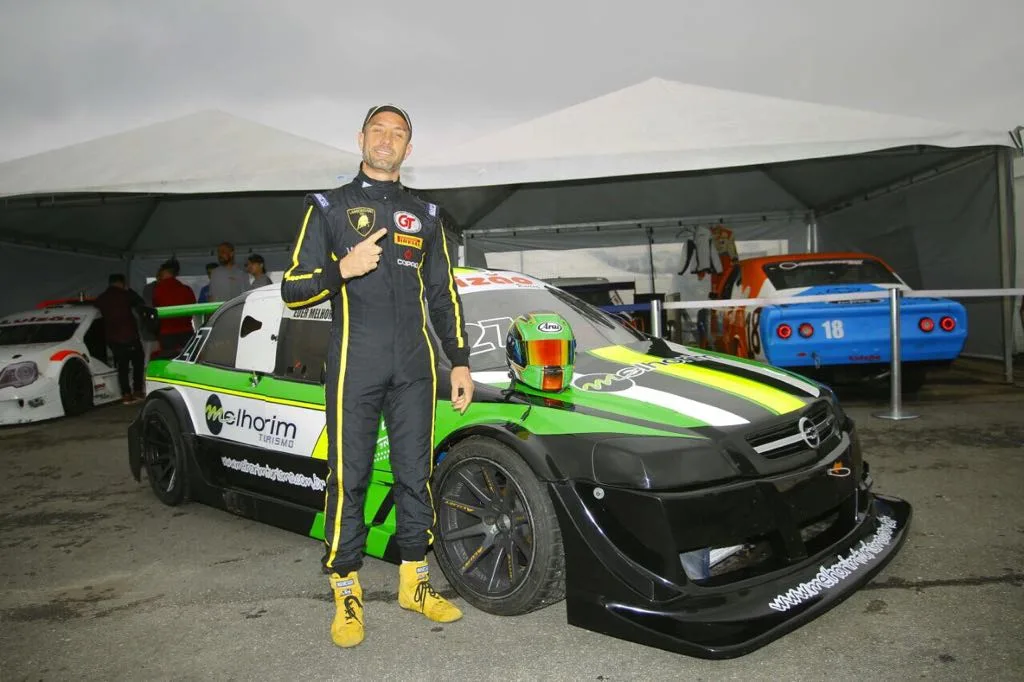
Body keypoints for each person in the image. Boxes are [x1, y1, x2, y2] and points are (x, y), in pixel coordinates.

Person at [280, 104, 474, 649]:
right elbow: (292, 289)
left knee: (416, 474)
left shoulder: (428, 215)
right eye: (378, 130)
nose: (387, 140)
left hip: (415, 367)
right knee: (351, 478)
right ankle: (346, 585)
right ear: (361, 139)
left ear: (408, 149)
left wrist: (458, 360)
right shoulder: (328, 207)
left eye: (399, 133)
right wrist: (341, 269)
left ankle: (415, 580)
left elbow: (443, 294)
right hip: (354, 365)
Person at [93, 274, 146, 404]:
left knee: (122, 366)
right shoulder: (126, 295)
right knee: (138, 363)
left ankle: (126, 394)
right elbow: (140, 302)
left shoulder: (101, 298)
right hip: (130, 335)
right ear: (122, 283)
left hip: (112, 337)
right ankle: (137, 391)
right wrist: (129, 290)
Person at [151, 259, 197, 357]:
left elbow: (154, 309)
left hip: (167, 333)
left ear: (163, 272)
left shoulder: (158, 289)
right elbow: (193, 309)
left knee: (169, 363)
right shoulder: (186, 289)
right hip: (186, 332)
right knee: (187, 361)